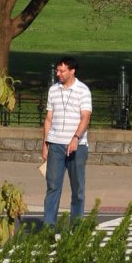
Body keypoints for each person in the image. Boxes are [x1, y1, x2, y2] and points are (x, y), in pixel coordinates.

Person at [41, 55, 93, 225]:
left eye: (62, 71)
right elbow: (49, 118)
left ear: (72, 71)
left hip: (76, 147)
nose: (58, 74)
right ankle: (49, 227)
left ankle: (76, 227)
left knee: (77, 190)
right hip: (55, 144)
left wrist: (76, 138)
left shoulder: (83, 90)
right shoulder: (53, 90)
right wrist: (45, 144)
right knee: (53, 187)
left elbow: (85, 117)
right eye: (57, 70)